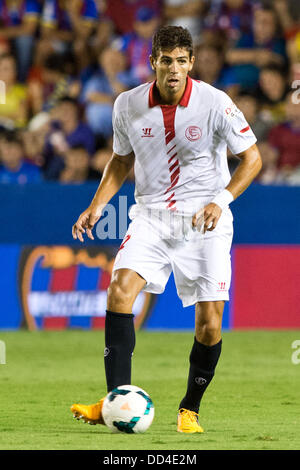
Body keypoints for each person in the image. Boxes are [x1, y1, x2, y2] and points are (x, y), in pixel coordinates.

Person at [71, 26, 262, 433]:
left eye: (181, 61)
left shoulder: (216, 104)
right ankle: (115, 403)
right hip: (151, 216)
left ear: (191, 63)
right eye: (165, 60)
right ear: (152, 62)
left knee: (210, 323)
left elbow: (252, 158)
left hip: (205, 220)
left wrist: (221, 199)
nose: (173, 69)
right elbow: (121, 161)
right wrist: (97, 205)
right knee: (119, 290)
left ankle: (189, 409)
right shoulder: (127, 105)